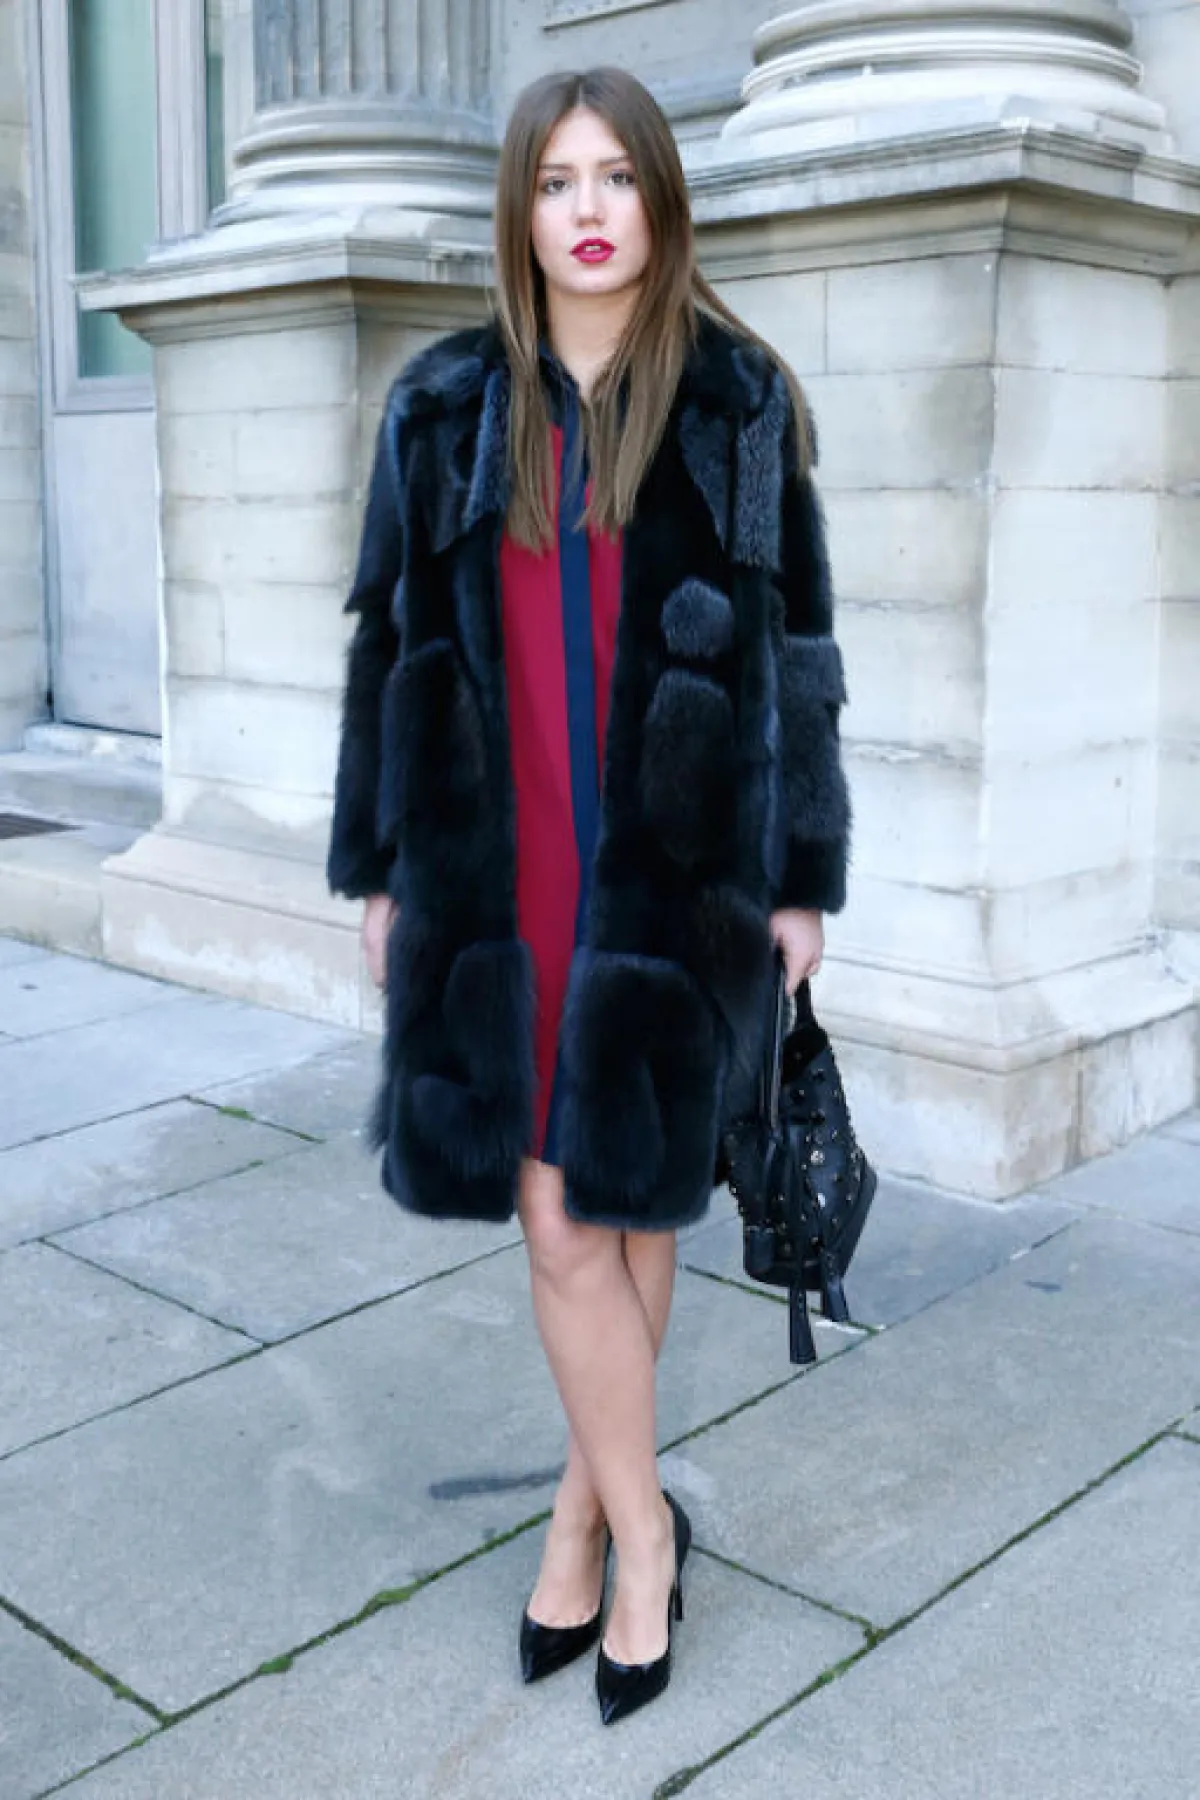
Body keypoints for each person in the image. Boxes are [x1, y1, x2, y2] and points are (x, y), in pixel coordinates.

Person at [327, 66, 851, 1726]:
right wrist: (380, 867)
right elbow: (387, 649)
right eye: (557, 182)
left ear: (660, 200)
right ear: (521, 212)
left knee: (628, 1205)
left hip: (673, 880)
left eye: (617, 176)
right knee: (560, 1219)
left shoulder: (737, 402)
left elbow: (801, 654)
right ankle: (642, 1531)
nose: (589, 210)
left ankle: (590, 1522)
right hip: (504, 877)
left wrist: (803, 879)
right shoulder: (442, 410)